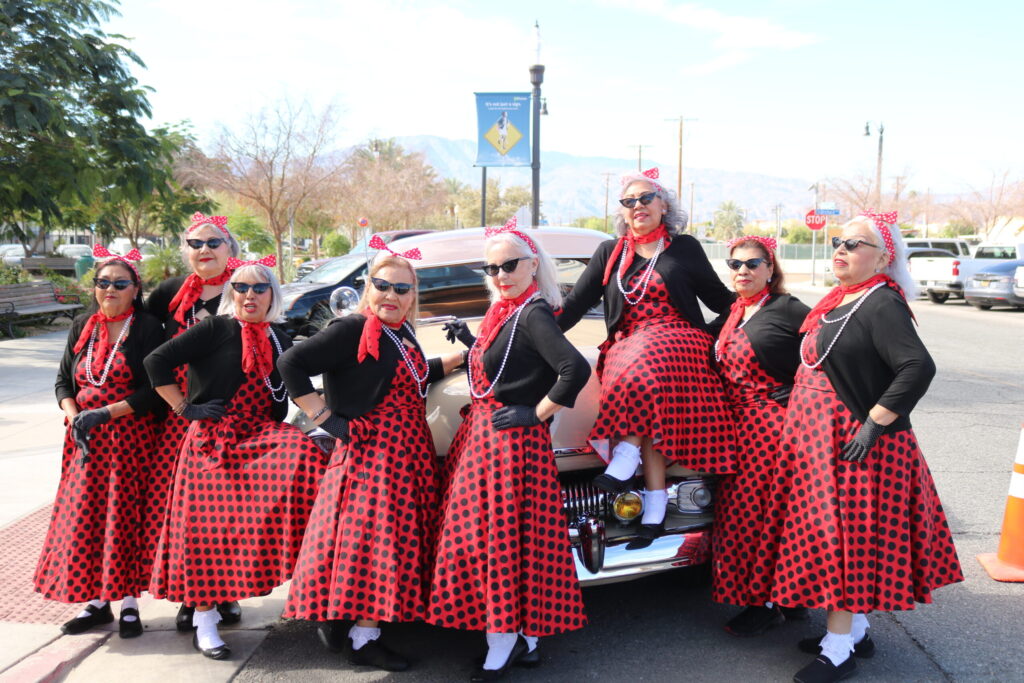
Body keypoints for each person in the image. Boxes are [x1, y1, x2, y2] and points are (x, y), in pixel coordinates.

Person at [756, 212, 963, 683]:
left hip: (853, 447)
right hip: (816, 441)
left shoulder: (881, 302)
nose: (841, 250)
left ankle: (838, 651)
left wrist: (873, 423)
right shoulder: (843, 298)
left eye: (855, 243)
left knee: (842, 545)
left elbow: (917, 367)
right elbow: (836, 358)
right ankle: (855, 632)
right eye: (838, 241)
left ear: (884, 257)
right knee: (828, 539)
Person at [279, 238, 464, 672]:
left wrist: (460, 357)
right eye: (383, 285)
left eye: (403, 289)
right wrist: (326, 418)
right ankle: (364, 638)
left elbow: (413, 375)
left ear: (413, 295)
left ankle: (346, 623)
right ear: (369, 288)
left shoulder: (400, 332)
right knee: (378, 548)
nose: (392, 296)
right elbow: (290, 364)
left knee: (379, 547)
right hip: (374, 456)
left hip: (407, 455)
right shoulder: (350, 329)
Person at [429, 219, 590, 681]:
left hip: (509, 445)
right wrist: (469, 339)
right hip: (493, 442)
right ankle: (527, 639)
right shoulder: (506, 311)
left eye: (510, 265)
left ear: (533, 265)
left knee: (495, 543)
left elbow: (572, 369)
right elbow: (507, 362)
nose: (501, 274)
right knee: (520, 542)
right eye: (492, 267)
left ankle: (502, 644)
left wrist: (533, 413)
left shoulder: (532, 311)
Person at [144, 255, 327, 660]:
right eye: (240, 287)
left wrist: (329, 419)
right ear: (231, 294)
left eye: (259, 288)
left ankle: (315, 575)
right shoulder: (216, 327)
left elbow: (298, 383)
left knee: (309, 460)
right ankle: (204, 624)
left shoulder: (279, 336)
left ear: (272, 295)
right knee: (206, 536)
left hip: (260, 435)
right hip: (213, 439)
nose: (249, 294)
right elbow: (155, 361)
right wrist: (184, 407)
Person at [556, 167, 737, 540]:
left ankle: (625, 458)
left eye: (645, 198)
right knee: (647, 383)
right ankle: (654, 510)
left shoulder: (683, 247)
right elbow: (572, 307)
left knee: (651, 359)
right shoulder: (609, 252)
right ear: (622, 212)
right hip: (630, 347)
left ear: (663, 204)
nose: (637, 205)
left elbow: (722, 300)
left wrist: (720, 331)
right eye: (628, 201)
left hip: (681, 341)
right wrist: (529, 332)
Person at [35, 246, 164, 638]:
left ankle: (128, 604)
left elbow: (155, 392)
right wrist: (76, 417)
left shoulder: (146, 328)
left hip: (131, 441)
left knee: (123, 520)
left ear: (134, 288)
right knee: (86, 521)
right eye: (103, 282)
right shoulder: (82, 326)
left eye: (119, 283)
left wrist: (105, 414)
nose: (110, 289)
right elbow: (62, 381)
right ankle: (95, 603)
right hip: (84, 442)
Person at [708, 236, 811, 636]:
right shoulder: (734, 313)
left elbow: (829, 350)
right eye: (735, 265)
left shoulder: (788, 309)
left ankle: (766, 602)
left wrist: (800, 385)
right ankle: (788, 597)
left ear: (771, 268)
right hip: (739, 429)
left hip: (773, 429)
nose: (743, 271)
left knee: (761, 518)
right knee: (751, 517)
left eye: (753, 263)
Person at [145, 212, 242, 630]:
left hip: (229, 414)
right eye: (195, 243)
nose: (204, 250)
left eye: (214, 242)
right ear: (185, 251)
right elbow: (144, 347)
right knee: (186, 514)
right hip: (178, 414)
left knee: (227, 511)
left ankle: (226, 592)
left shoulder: (247, 286)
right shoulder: (168, 292)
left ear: (231, 250)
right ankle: (192, 595)